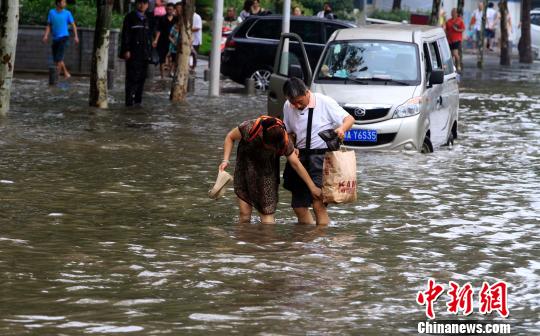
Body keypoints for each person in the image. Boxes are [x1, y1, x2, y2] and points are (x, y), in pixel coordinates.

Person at [220, 116, 322, 224]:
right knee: (244, 215)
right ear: (263, 136)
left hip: (267, 175)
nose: (272, 149)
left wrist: (312, 187)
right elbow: (230, 137)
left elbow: (296, 164)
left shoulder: (284, 140)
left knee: (267, 218)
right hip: (245, 169)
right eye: (270, 147)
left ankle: (268, 239)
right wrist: (225, 160)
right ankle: (244, 239)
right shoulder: (249, 127)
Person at [282, 78, 355, 225]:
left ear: (307, 92)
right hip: (300, 157)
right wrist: (292, 145)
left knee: (318, 203)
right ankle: (305, 240)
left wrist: (341, 129)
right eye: (292, 102)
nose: (296, 105)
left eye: (299, 101)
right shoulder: (288, 106)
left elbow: (349, 119)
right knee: (299, 206)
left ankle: (320, 243)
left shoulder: (324, 102)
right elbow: (288, 131)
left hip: (321, 157)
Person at [120, 0, 152, 106]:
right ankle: (129, 102)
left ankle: (138, 101)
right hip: (133, 53)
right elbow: (125, 34)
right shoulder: (130, 17)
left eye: (144, 3)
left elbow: (149, 37)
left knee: (142, 78)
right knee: (132, 77)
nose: (142, 5)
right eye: (140, 3)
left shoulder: (147, 19)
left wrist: (150, 52)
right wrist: (126, 49)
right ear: (136, 4)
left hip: (144, 54)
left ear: (147, 5)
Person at [42, 0, 79, 80]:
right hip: (55, 38)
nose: (65, 4)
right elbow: (48, 25)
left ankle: (56, 78)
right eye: (63, 2)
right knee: (57, 59)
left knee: (59, 58)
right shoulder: (51, 12)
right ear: (58, 3)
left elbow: (73, 25)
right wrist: (46, 35)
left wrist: (76, 36)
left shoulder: (67, 13)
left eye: (65, 2)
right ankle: (66, 73)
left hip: (64, 37)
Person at [152, 3, 177, 79]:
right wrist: (156, 40)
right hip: (162, 40)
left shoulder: (176, 19)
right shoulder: (162, 18)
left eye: (171, 9)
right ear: (166, 10)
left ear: (173, 10)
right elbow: (159, 30)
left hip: (173, 41)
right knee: (162, 58)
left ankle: (170, 72)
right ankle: (162, 75)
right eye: (168, 9)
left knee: (173, 58)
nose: (169, 11)